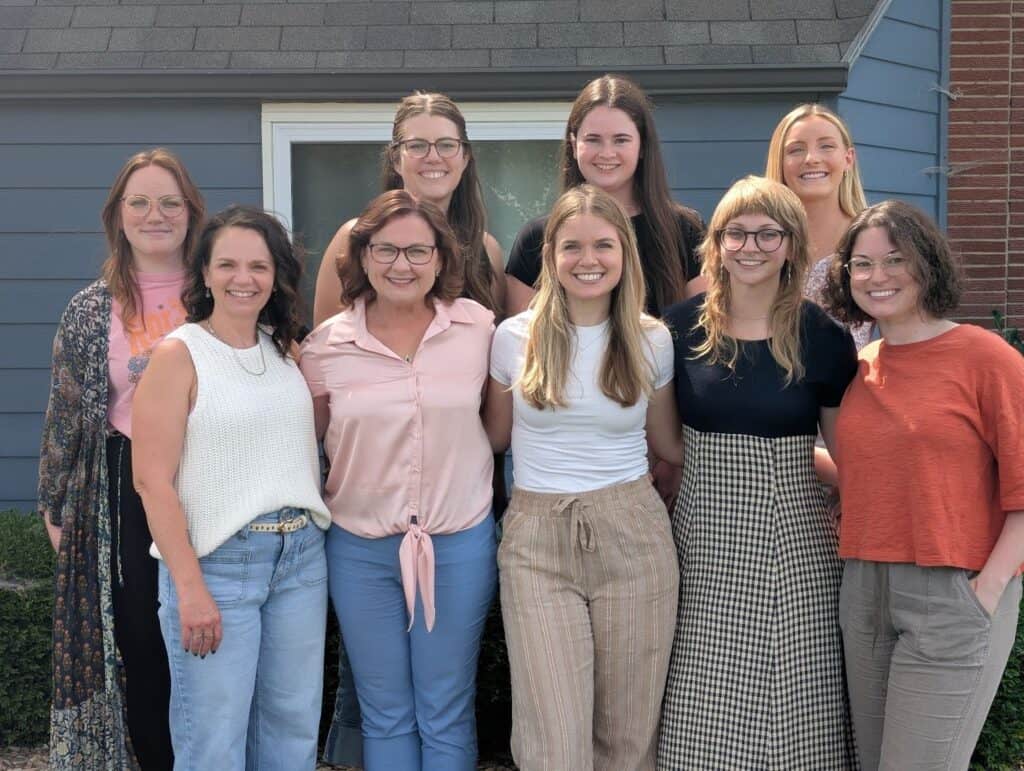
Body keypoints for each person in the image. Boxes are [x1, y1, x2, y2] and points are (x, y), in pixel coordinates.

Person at [312, 94, 506, 766]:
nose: (401, 263)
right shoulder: (327, 344)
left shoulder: (479, 327)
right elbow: (317, 430)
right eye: (387, 250)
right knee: (384, 707)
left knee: (446, 705)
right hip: (362, 539)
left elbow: (499, 415)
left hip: (457, 534)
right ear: (362, 256)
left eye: (417, 250)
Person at [658, 176, 858, 770]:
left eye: (768, 233)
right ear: (715, 244)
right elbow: (668, 441)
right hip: (704, 530)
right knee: (702, 686)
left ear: (792, 244)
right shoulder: (678, 327)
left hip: (795, 535)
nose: (750, 246)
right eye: (735, 233)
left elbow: (845, 451)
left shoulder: (822, 336)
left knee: (799, 688)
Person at [485, 185, 681, 771]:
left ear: (625, 254)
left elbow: (669, 445)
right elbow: (494, 439)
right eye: (572, 246)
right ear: (550, 256)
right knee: (552, 737)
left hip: (633, 535)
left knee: (628, 731)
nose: (588, 259)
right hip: (537, 538)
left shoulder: (652, 339)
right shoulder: (512, 338)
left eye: (603, 245)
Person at [823, 200, 1024, 771]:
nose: (876, 276)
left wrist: (984, 592)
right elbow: (879, 475)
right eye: (861, 264)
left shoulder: (986, 357)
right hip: (864, 590)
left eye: (893, 260)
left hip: (952, 590)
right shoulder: (864, 367)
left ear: (927, 264)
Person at [131, 206, 332, 770]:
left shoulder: (284, 350)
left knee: (292, 729)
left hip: (299, 559)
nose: (244, 278)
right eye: (228, 265)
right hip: (217, 564)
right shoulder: (179, 355)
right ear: (205, 274)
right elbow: (151, 481)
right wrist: (190, 588)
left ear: (276, 276)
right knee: (214, 739)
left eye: (258, 266)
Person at [38, 147, 204, 770]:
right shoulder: (88, 309)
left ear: (191, 212)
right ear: (118, 214)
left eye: (169, 201)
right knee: (142, 645)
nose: (154, 214)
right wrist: (57, 508)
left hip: (210, 480)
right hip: (121, 496)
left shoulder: (221, 292)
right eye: (139, 201)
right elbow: (65, 414)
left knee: (210, 633)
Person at [504, 74, 705, 317]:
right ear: (573, 143)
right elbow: (523, 341)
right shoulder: (536, 239)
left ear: (642, 146)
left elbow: (701, 333)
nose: (606, 153)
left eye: (620, 140)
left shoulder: (686, 231)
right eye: (593, 140)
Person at [313, 91, 504, 325]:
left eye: (446, 145)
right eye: (417, 146)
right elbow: (325, 348)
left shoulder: (485, 249)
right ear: (396, 159)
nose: (433, 157)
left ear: (464, 158)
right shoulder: (354, 237)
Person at [766, 102, 872, 348]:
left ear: (849, 159)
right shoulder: (756, 241)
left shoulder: (872, 238)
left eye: (826, 146)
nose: (811, 159)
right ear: (780, 162)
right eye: (795, 150)